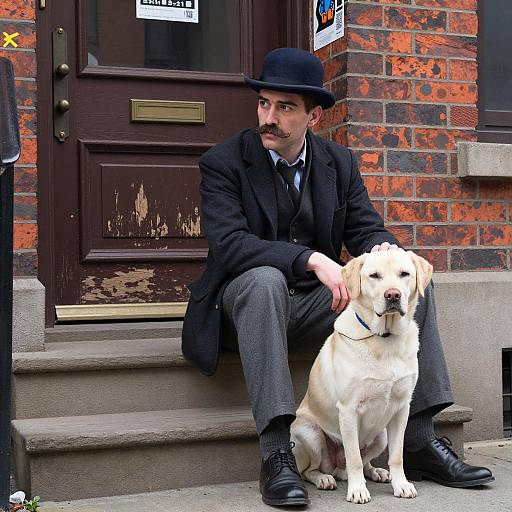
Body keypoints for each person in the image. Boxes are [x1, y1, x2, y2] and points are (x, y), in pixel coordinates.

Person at [182, 47, 494, 507]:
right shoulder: (224, 163)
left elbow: (365, 228)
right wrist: (312, 259)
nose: (269, 116)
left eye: (285, 107)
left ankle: (419, 441)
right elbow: (230, 245)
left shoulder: (339, 163)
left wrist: (385, 250)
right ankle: (277, 454)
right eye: (264, 104)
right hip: (244, 307)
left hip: (316, 306)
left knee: (412, 289)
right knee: (265, 280)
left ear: (313, 115)